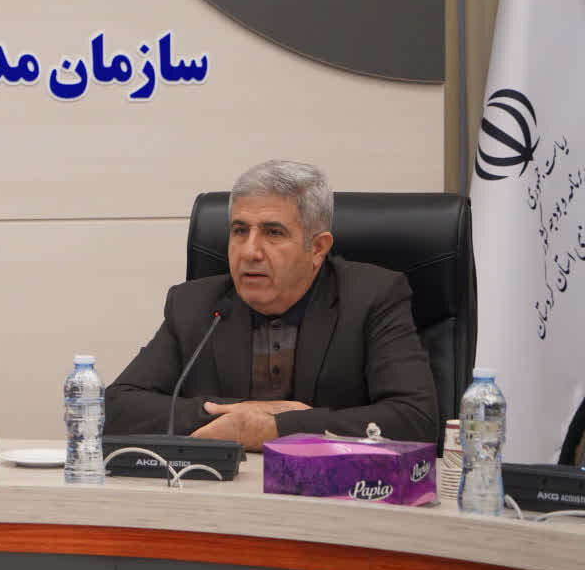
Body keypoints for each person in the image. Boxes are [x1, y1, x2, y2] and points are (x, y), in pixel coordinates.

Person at [103, 159, 437, 450]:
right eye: (239, 231)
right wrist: (244, 416)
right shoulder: (195, 305)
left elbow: (416, 419)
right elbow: (117, 408)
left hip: (334, 493)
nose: (250, 251)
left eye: (273, 232)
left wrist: (279, 428)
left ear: (318, 248)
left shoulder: (372, 298)